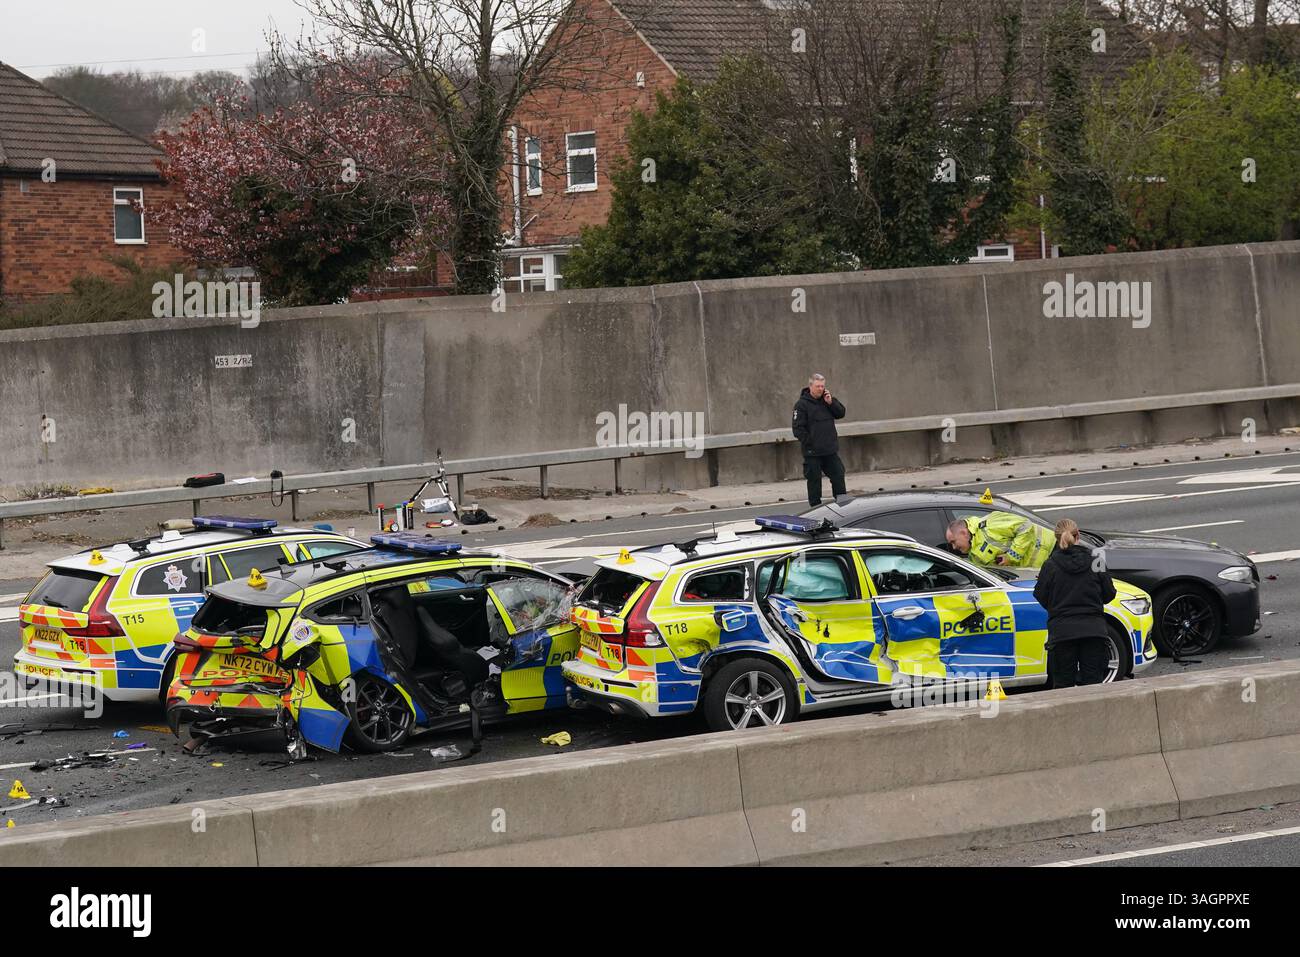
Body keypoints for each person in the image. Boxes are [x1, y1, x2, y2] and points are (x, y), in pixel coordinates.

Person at [1033, 519, 1116, 688]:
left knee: (1063, 686)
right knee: (1094, 685)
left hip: (1062, 633)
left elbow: (1041, 595)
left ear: (1056, 539)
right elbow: (1109, 594)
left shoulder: (1050, 565)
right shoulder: (1096, 561)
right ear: (1078, 535)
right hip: (1094, 631)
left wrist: (1058, 607)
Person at [792, 373, 847, 506]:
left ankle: (843, 505)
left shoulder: (828, 401)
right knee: (814, 481)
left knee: (838, 475)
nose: (820, 389)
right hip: (813, 452)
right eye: (817, 386)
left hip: (830, 450)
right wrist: (811, 443)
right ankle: (815, 508)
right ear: (810, 386)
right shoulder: (801, 405)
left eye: (822, 386)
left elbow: (841, 413)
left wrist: (831, 403)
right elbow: (798, 429)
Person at [945, 512, 1056, 568]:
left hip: (1052, 549)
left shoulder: (989, 525)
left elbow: (1025, 526)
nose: (954, 548)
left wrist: (1011, 556)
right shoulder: (973, 555)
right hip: (1039, 568)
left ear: (964, 533)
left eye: (953, 542)